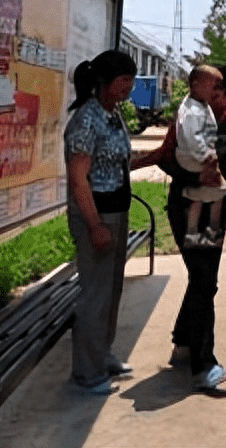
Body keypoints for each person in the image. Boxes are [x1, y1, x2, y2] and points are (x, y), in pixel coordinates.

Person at [132, 66, 226, 392]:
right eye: (220, 95)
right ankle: (203, 364)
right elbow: (165, 158)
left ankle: (184, 344)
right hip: (187, 208)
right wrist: (198, 176)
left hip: (216, 209)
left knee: (204, 279)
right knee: (203, 279)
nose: (225, 102)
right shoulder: (188, 122)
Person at [63, 49, 138, 395]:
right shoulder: (86, 120)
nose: (129, 87)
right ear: (104, 82)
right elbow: (79, 180)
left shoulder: (112, 115)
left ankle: (102, 353)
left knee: (112, 289)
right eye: (123, 81)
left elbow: (117, 161)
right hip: (96, 214)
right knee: (95, 293)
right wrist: (94, 225)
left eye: (131, 80)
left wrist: (156, 156)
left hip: (116, 211)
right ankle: (87, 372)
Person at [175, 65, 226, 248]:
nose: (217, 91)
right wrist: (208, 160)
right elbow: (193, 140)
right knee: (218, 191)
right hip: (195, 159)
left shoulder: (200, 105)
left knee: (197, 197)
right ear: (196, 85)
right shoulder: (192, 111)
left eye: (219, 87)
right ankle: (211, 232)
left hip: (198, 157)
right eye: (213, 86)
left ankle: (192, 234)